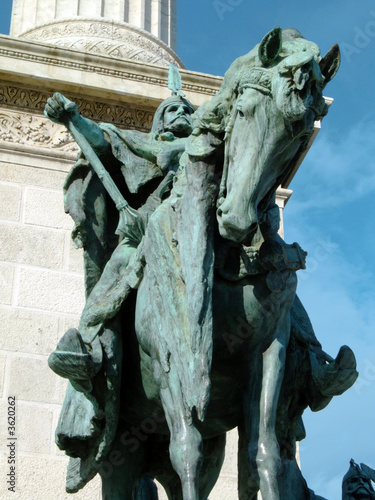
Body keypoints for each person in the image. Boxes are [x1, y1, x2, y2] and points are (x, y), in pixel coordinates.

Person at [45, 87, 195, 392]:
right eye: (172, 110)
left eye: (187, 111)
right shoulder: (141, 144)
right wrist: (74, 117)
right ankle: (88, 349)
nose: (181, 113)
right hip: (150, 231)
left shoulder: (214, 146)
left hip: (202, 226)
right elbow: (103, 141)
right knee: (118, 268)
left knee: (275, 279)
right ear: (160, 122)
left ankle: (309, 358)